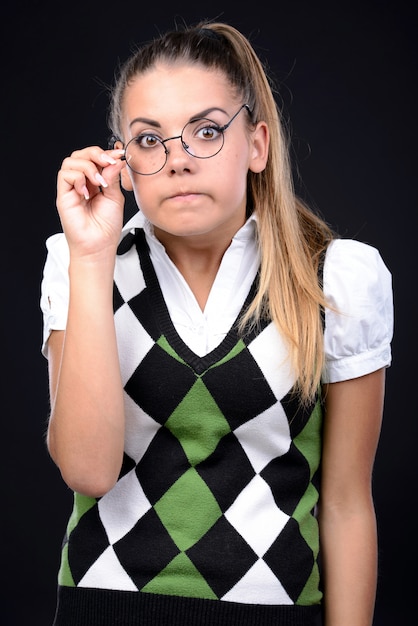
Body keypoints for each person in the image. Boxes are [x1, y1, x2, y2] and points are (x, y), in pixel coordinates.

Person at [40, 19, 394, 626]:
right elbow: (88, 470)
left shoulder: (336, 280)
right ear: (121, 158)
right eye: (150, 141)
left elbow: (345, 505)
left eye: (206, 131)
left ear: (256, 144)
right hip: (103, 607)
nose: (177, 161)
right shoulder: (79, 261)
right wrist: (92, 258)